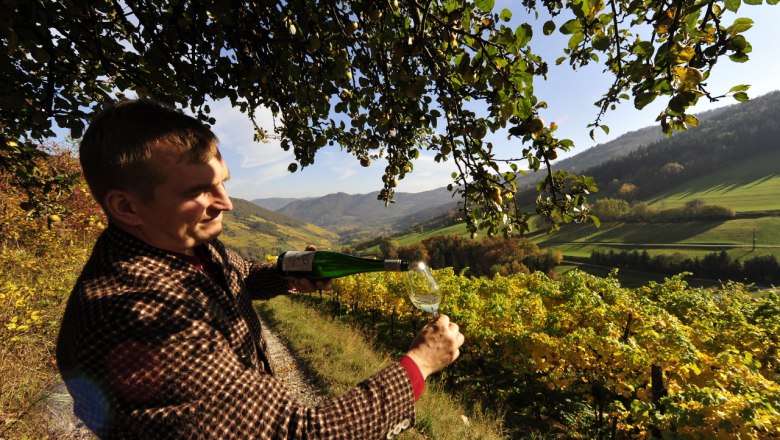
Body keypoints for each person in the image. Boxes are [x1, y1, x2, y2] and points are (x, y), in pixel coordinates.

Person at [56, 99, 465, 439]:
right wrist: (420, 363)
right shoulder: (140, 316)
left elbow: (240, 275)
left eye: (223, 182)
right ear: (127, 207)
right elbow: (300, 433)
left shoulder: (184, 244)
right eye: (199, 190)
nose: (227, 202)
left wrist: (287, 275)